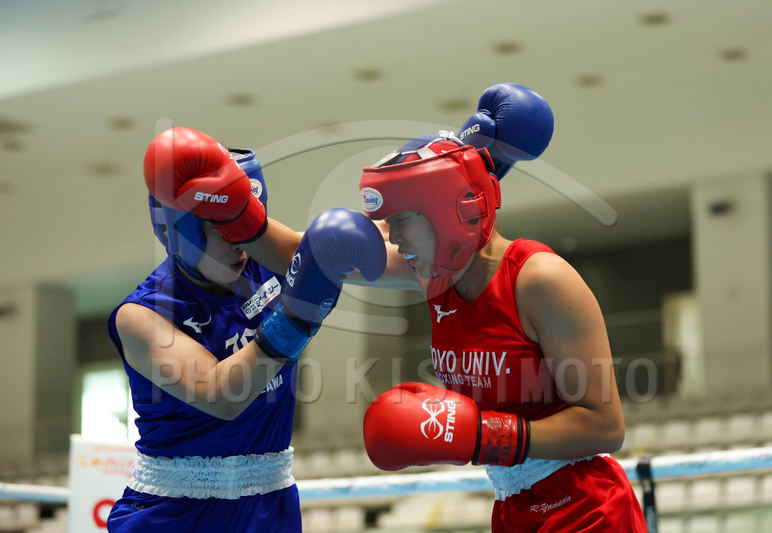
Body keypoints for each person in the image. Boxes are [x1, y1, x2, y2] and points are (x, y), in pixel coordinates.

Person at [357, 84, 648, 531]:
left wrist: (485, 435)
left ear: (441, 214)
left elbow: (606, 427)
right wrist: (245, 217)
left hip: (585, 507)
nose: (392, 238)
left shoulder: (540, 279)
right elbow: (322, 254)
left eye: (401, 221)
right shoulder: (433, 274)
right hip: (512, 506)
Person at [106, 127, 385, 532]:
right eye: (222, 228)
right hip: (175, 513)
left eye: (244, 225)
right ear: (173, 231)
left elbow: (384, 254)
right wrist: (297, 317)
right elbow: (221, 394)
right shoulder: (142, 315)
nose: (238, 243)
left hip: (270, 505)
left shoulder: (272, 261)